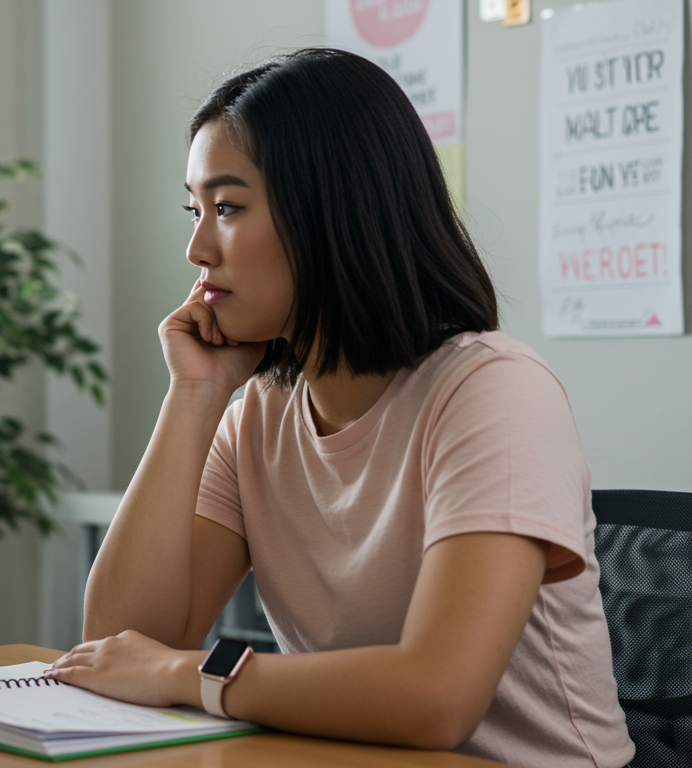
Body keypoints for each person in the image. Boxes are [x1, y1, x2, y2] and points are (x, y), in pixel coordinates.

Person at [47, 48, 634, 768]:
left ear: (330, 210)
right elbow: (119, 644)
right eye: (195, 210)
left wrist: (184, 674)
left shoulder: (493, 391)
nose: (197, 247)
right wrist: (195, 394)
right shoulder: (255, 416)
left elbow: (436, 698)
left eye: (227, 208)